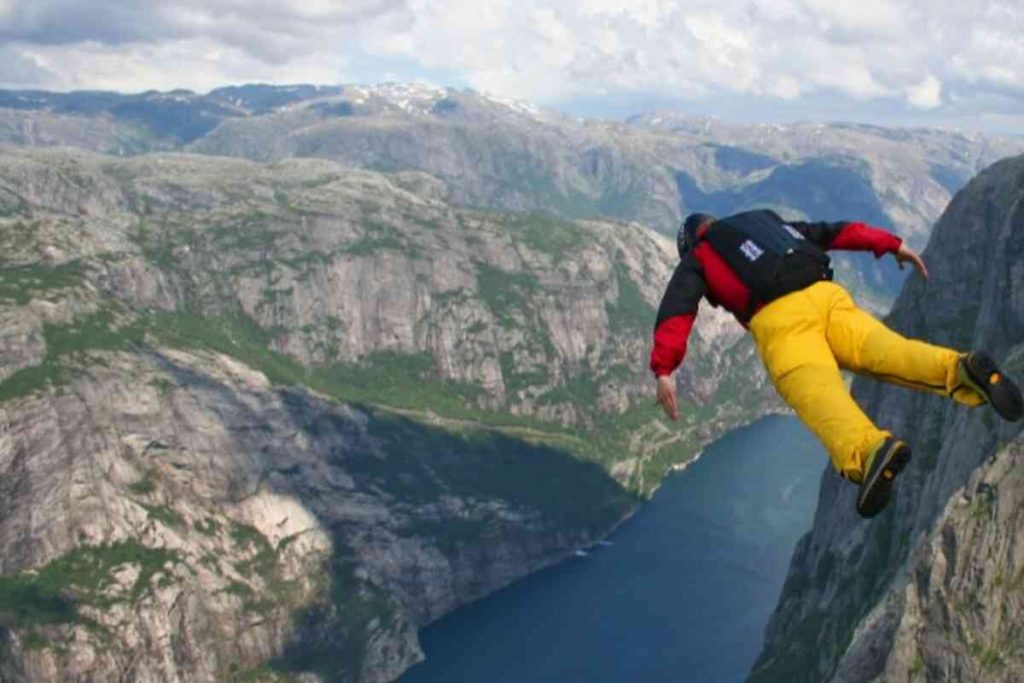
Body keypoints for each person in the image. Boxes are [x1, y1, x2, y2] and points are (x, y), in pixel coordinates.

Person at [650, 210, 1023, 518]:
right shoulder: (764, 220)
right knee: (891, 351)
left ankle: (870, 450)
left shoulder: (699, 256)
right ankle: (962, 370)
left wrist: (664, 368)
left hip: (781, 319)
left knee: (816, 390)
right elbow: (833, 232)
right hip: (827, 296)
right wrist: (892, 244)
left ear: (691, 242)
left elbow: (676, 309)